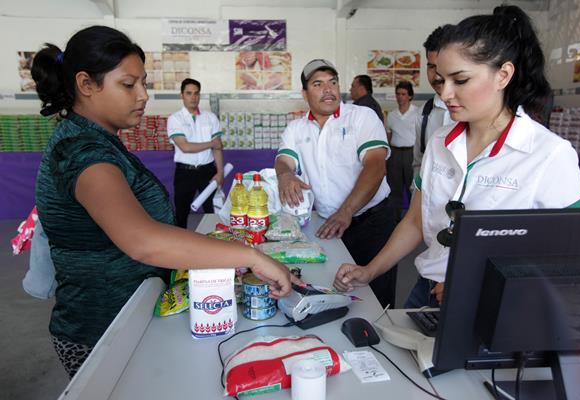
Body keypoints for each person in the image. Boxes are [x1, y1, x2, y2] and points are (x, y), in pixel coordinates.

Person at [31, 26, 296, 378]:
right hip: (102, 333)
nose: (143, 95)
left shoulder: (98, 141)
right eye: (128, 85)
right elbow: (143, 241)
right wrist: (251, 257)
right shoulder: (82, 153)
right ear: (86, 84)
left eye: (143, 83)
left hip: (130, 317)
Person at [333, 5, 580, 309]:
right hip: (426, 291)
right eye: (441, 80)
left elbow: (576, 256)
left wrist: (479, 287)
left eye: (460, 80)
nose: (445, 94)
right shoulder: (440, 142)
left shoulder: (548, 154)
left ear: (503, 75)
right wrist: (370, 270)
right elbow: (415, 221)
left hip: (496, 307)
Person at [275, 59, 396, 308]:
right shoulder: (296, 128)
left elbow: (375, 166)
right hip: (330, 225)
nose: (328, 89)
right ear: (304, 93)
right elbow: (284, 160)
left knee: (377, 297)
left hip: (371, 222)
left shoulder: (361, 117)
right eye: (318, 84)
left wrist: (346, 211)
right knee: (336, 290)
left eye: (333, 82)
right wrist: (285, 175)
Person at [168, 78, 224, 228]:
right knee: (181, 212)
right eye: (189, 93)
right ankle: (181, 240)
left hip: (208, 171)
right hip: (185, 172)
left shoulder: (210, 117)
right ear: (182, 95)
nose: (193, 97)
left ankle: (214, 240)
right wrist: (211, 143)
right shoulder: (175, 119)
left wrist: (220, 172)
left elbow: (218, 148)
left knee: (213, 211)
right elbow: (185, 147)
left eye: (196, 93)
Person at [413, 25, 455, 178]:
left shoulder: (477, 112)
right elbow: (419, 163)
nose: (437, 75)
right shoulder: (424, 113)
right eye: (432, 67)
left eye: (443, 66)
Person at [386, 80, 419, 223]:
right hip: (395, 153)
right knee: (395, 188)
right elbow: (388, 136)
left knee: (413, 187)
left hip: (412, 153)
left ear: (410, 96)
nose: (400, 97)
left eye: (404, 94)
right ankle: (395, 220)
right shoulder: (391, 115)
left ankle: (413, 220)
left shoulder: (417, 113)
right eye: (398, 94)